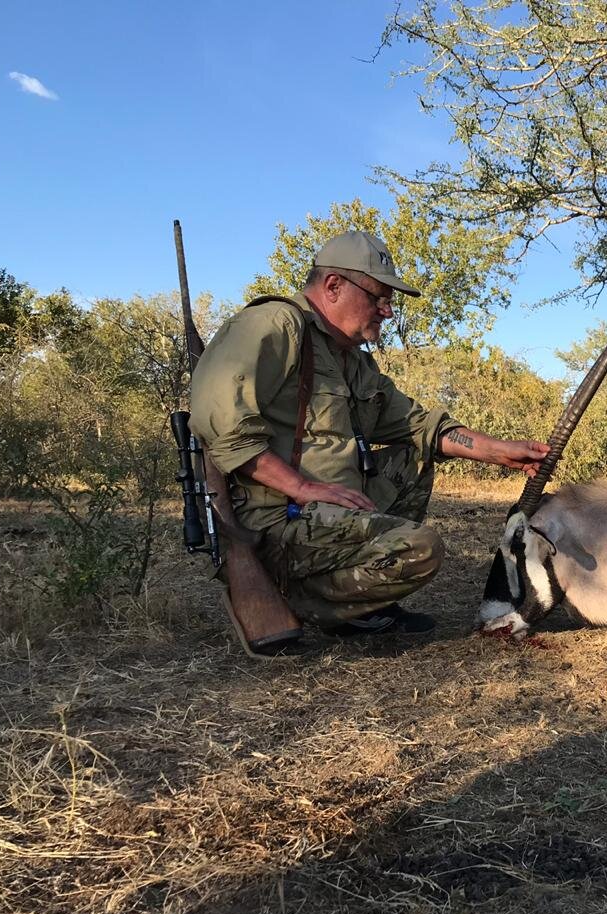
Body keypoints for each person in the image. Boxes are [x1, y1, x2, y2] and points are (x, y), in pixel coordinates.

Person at [189, 231, 549, 656]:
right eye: (378, 296)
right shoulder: (275, 325)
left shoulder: (353, 360)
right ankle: (301, 599)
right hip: (277, 519)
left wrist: (495, 450)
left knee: (414, 458)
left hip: (330, 510)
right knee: (421, 548)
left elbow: (418, 426)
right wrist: (304, 488)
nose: (388, 310)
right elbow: (223, 426)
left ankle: (358, 608)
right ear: (333, 286)